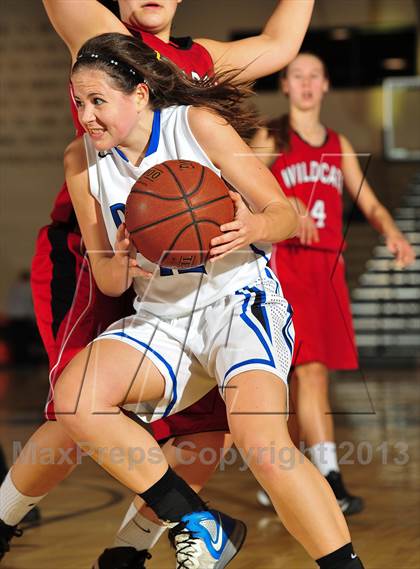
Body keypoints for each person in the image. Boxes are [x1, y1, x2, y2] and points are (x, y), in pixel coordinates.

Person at [0, 1, 315, 566]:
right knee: (74, 410)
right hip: (98, 249)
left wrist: (260, 221)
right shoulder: (104, 38)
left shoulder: (202, 58)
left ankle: (129, 552)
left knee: (210, 427)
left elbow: (282, 41)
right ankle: (1, 523)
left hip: (194, 265)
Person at [59, 32, 363, 569]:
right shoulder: (81, 163)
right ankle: (199, 521)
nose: (87, 115)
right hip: (162, 316)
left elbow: (286, 214)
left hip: (236, 297)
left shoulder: (195, 125)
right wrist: (123, 257)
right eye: (79, 102)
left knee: (262, 442)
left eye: (98, 101)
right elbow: (108, 281)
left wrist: (253, 224)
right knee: (76, 398)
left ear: (140, 95)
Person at [251, 52, 416, 514]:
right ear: (285, 84)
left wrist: (393, 232)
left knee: (308, 381)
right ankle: (329, 478)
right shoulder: (272, 135)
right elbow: (241, 183)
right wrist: (284, 201)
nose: (305, 84)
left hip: (328, 270)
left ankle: (280, 476)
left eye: (314, 76)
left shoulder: (339, 143)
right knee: (309, 373)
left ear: (325, 85)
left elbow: (368, 200)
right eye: (297, 75)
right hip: (287, 266)